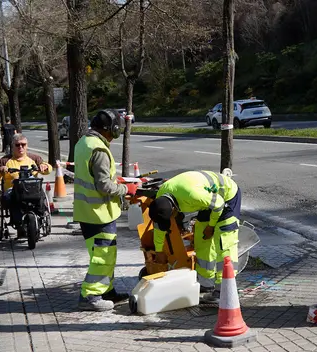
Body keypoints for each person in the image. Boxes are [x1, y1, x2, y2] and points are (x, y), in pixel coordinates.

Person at [73, 109, 138, 312]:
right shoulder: (99, 150)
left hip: (87, 211)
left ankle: (107, 290)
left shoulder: (83, 142)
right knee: (103, 256)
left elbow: (92, 178)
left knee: (103, 254)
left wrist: (113, 181)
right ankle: (91, 295)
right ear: (113, 129)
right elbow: (103, 187)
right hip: (99, 212)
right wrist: (126, 188)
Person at [148, 170, 240, 304]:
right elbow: (158, 228)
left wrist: (211, 226)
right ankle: (206, 284)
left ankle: (224, 289)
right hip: (208, 200)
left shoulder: (193, 196)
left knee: (223, 242)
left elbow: (218, 204)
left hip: (226, 197)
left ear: (173, 210)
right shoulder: (161, 198)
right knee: (202, 239)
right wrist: (159, 251)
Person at [0, 134, 51, 236]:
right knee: (10, 198)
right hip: (13, 190)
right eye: (17, 145)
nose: (20, 147)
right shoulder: (5, 160)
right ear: (12, 146)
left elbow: (48, 169)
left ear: (27, 145)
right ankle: (18, 221)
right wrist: (0, 170)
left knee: (41, 194)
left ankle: (40, 216)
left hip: (31, 189)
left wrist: (44, 166)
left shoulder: (34, 158)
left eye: (23, 145)